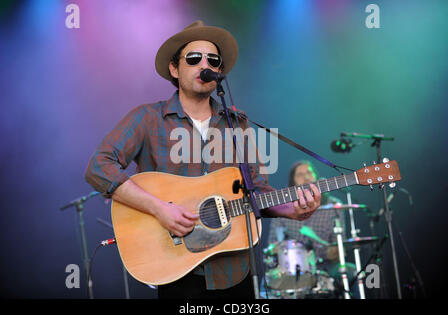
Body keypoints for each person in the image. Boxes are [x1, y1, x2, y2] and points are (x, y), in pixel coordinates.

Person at [84, 21, 321, 299]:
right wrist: (160, 209)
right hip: (177, 268)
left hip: (235, 269)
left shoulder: (237, 124)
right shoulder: (148, 118)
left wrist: (294, 210)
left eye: (213, 60)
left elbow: (257, 193)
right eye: (194, 58)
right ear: (175, 69)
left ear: (218, 72)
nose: (204, 65)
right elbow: (99, 167)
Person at [267, 160, 354, 297]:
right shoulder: (283, 208)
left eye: (309, 172)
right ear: (293, 183)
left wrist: (316, 244)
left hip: (327, 267)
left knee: (351, 271)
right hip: (295, 268)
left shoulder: (334, 205)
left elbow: (339, 251)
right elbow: (273, 245)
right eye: (300, 175)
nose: (306, 177)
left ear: (317, 176)